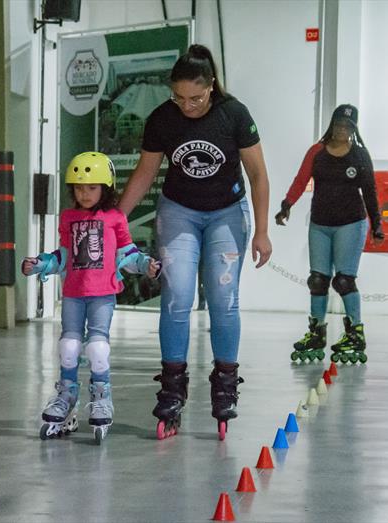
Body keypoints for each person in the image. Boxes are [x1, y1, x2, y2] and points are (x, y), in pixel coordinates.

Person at [117, 44, 272, 440]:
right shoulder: (162, 119)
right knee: (177, 296)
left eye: (196, 98)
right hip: (179, 211)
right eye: (179, 97)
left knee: (223, 299)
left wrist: (262, 231)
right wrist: (113, 220)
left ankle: (224, 383)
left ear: (211, 86)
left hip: (226, 212)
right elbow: (144, 174)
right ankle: (172, 387)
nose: (187, 105)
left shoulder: (233, 114)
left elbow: (258, 175)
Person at [22, 152, 160, 444]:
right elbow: (64, 255)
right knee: (69, 346)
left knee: (97, 347)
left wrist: (146, 265)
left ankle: (101, 396)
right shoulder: (69, 217)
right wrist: (41, 264)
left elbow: (127, 254)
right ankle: (66, 395)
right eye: (78, 187)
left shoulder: (114, 218)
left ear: (106, 188)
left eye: (91, 187)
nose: (84, 193)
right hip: (73, 293)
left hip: (102, 295)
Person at [275, 104, 383, 364]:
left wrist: (377, 224)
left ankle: (355, 332)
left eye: (347, 127)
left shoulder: (359, 156)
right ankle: (316, 332)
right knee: (317, 280)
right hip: (320, 224)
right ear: (331, 125)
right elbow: (301, 180)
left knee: (344, 280)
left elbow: (370, 191)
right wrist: (286, 205)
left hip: (351, 223)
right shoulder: (317, 152)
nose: (341, 130)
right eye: (337, 125)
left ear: (353, 129)